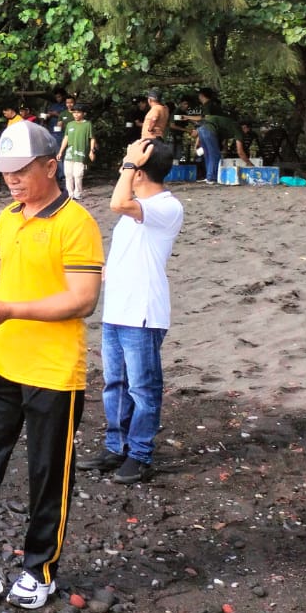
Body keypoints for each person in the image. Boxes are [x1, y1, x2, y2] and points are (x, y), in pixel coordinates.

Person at [0, 121, 104, 610]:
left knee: (48, 472)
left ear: (51, 166)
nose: (11, 179)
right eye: (5, 170)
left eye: (21, 169)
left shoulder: (76, 222)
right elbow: (15, 282)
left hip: (54, 370)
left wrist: (10, 309)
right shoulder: (7, 217)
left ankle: (40, 570)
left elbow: (83, 300)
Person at [99, 138, 183, 484]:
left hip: (143, 313)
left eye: (129, 163)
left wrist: (130, 163)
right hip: (117, 309)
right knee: (115, 384)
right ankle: (116, 447)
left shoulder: (167, 206)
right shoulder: (139, 208)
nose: (124, 166)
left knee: (143, 388)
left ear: (140, 171)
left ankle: (140, 454)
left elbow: (117, 203)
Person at [58, 104, 97, 201]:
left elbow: (92, 138)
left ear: (84, 113)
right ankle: (70, 193)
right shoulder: (70, 124)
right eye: (74, 112)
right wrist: (60, 151)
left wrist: (91, 151)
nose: (76, 114)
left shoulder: (88, 124)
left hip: (81, 153)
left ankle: (78, 193)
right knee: (68, 174)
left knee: (78, 174)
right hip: (69, 153)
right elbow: (66, 138)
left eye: (78, 112)